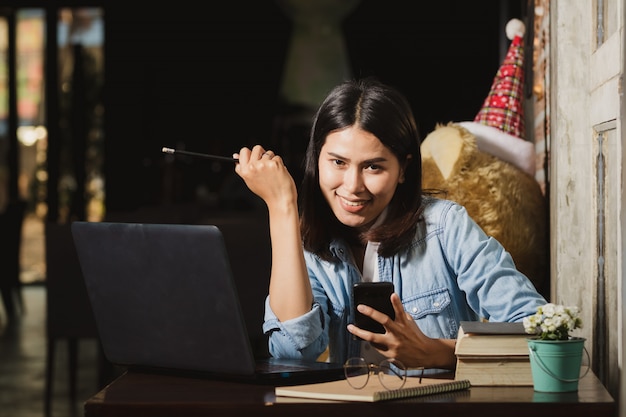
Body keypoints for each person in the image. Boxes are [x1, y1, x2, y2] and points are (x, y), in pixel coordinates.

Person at [233, 77, 547, 373]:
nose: (353, 185)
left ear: (403, 169)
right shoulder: (314, 246)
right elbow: (292, 354)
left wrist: (436, 353)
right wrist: (283, 207)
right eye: (338, 162)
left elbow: (541, 334)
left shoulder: (445, 226)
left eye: (373, 166)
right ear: (317, 159)